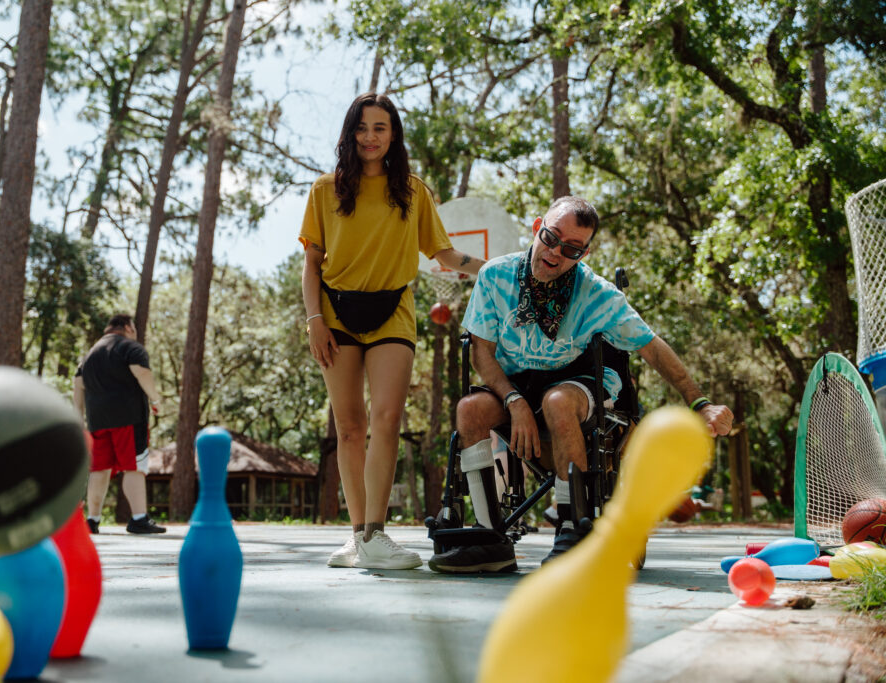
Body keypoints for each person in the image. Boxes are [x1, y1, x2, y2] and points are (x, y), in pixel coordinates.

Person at [429, 196, 734, 572]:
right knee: (469, 409)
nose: (556, 253)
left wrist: (700, 402)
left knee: (557, 400)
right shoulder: (496, 276)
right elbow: (481, 351)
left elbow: (652, 348)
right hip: (517, 382)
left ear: (584, 253)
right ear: (537, 226)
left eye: (572, 249)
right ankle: (490, 537)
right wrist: (513, 400)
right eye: (552, 237)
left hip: (576, 378)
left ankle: (572, 527)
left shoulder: (597, 293)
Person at [301, 92, 485, 570]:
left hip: (393, 311)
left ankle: (376, 534)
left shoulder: (413, 191)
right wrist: (314, 320)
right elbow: (311, 265)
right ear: (350, 134)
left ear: (393, 134)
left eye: (380, 128)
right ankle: (356, 536)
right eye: (362, 128)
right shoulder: (326, 190)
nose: (370, 137)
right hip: (335, 315)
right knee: (349, 428)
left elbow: (445, 257)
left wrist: (501, 268)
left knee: (386, 419)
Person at [73, 314, 166, 535]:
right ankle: (139, 519)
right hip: (128, 418)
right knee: (134, 467)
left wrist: (79, 420)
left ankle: (93, 521)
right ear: (126, 327)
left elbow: (78, 389)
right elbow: (141, 372)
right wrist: (155, 400)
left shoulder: (88, 356)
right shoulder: (129, 348)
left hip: (97, 422)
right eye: (133, 328)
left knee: (99, 469)